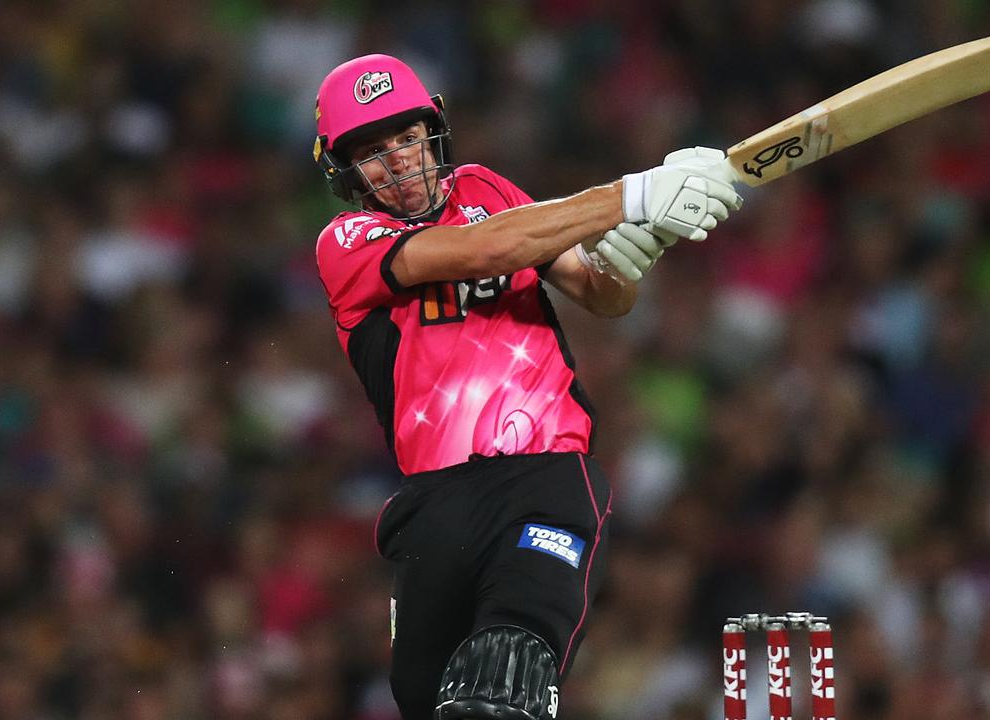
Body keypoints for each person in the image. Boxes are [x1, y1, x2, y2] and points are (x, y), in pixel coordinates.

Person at [311, 54, 740, 720]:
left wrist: (631, 251)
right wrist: (634, 194)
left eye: (406, 137)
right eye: (372, 151)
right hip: (436, 503)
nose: (397, 162)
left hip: (547, 475)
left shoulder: (485, 187)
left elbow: (601, 295)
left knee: (509, 671)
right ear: (345, 172)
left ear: (433, 131)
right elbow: (487, 251)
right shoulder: (347, 240)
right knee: (428, 699)